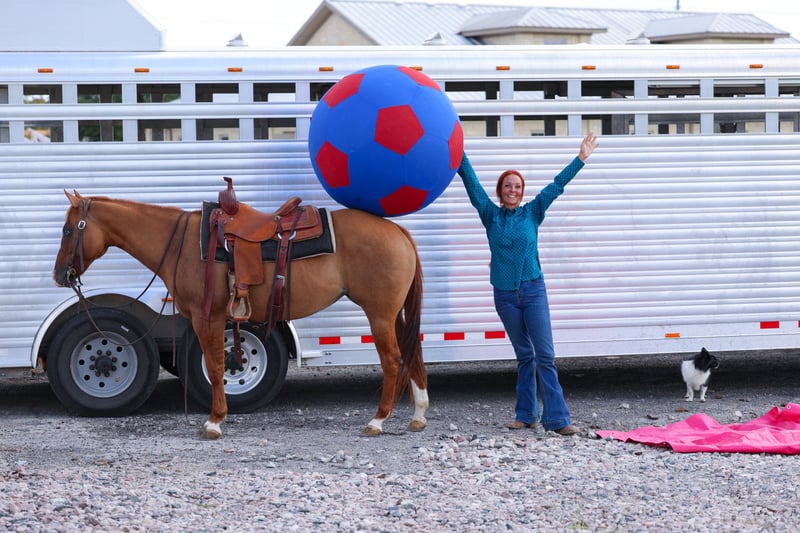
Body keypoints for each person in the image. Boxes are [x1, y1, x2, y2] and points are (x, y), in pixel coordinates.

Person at [457, 132, 599, 436]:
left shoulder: (533, 212)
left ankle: (558, 419)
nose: (513, 190)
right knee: (525, 355)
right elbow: (470, 181)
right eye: (508, 186)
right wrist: (457, 150)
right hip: (505, 296)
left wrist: (581, 158)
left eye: (517, 186)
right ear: (500, 190)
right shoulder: (490, 215)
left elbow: (556, 186)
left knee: (545, 356)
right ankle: (526, 415)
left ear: (522, 192)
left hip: (533, 292)